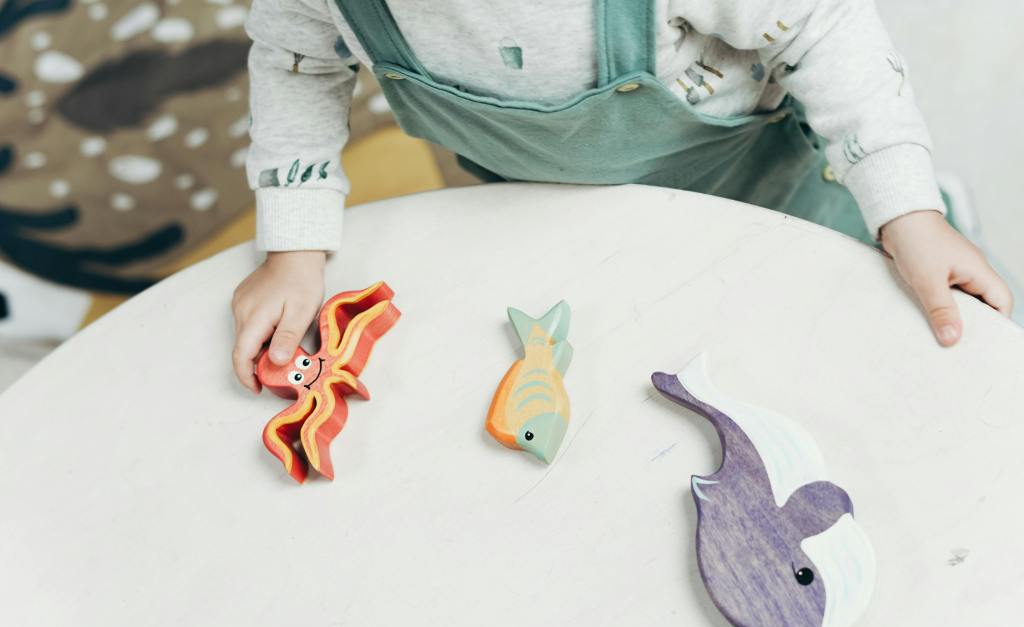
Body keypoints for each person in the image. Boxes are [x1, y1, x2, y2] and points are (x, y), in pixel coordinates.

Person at [232, 0, 1013, 392]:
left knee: (827, 348)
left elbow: (821, 29)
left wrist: (908, 210)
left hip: (766, 193)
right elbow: (296, 61)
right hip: (544, 207)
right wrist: (294, 249)